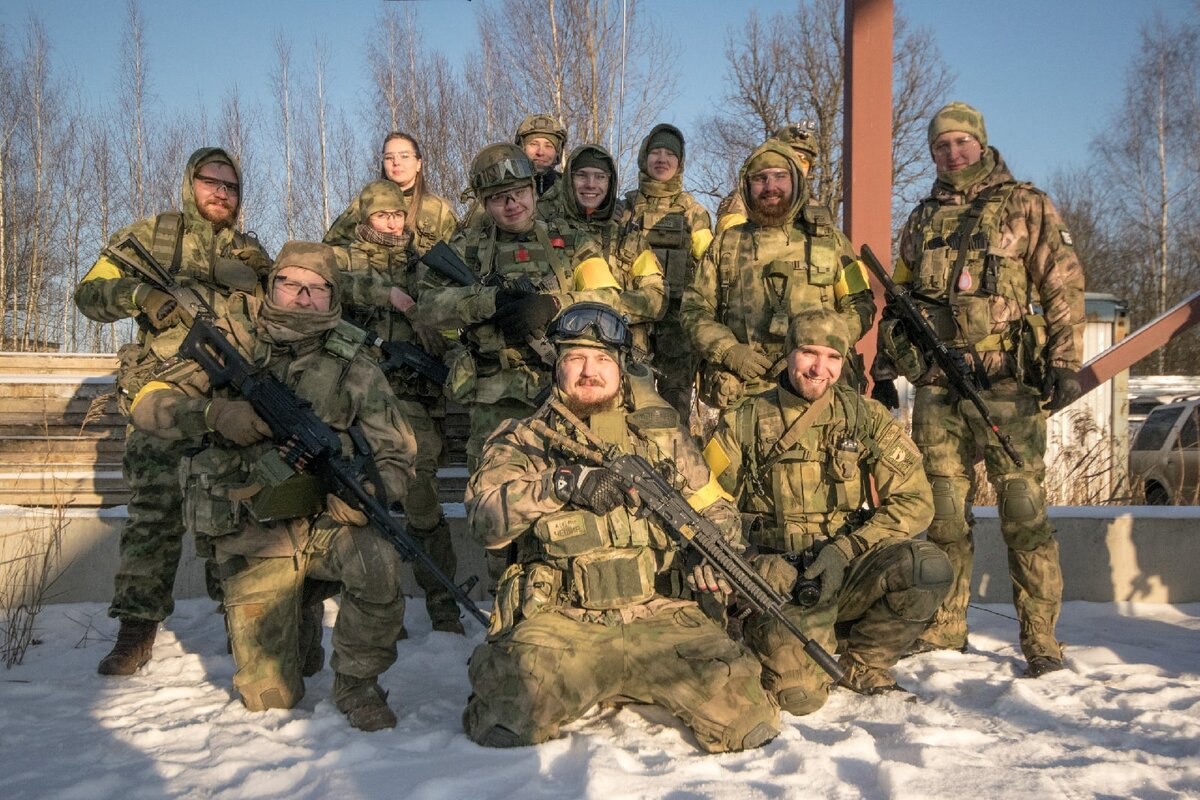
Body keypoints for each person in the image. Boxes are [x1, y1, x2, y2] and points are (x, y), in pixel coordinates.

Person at [461, 301, 780, 753]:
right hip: (564, 622)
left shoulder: (660, 436)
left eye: (602, 360)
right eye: (575, 358)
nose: (588, 370)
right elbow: (483, 522)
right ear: (557, 368)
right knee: (503, 720)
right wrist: (561, 484)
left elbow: (716, 508)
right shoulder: (523, 437)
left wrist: (708, 550)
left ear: (621, 369)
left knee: (748, 719)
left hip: (659, 614)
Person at [128, 241, 417, 731]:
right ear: (272, 286)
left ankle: (357, 684)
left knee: (380, 557)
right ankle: (292, 617)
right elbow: (146, 402)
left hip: (327, 523)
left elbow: (397, 452)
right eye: (290, 284)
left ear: (333, 297)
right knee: (269, 698)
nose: (303, 297)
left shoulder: (356, 364)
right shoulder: (231, 341)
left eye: (317, 288)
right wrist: (212, 413)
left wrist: (373, 495)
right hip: (253, 530)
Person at [870, 102, 1085, 677]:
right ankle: (944, 629)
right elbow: (901, 301)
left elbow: (1061, 281)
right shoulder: (920, 219)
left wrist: (1066, 362)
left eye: (961, 142)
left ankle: (1040, 640)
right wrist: (885, 368)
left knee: (1023, 512)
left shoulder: (1024, 203)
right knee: (942, 515)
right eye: (942, 146)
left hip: (1006, 386)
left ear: (981, 143)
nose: (953, 153)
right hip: (939, 390)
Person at [74, 147, 271, 676]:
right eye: (211, 182)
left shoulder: (251, 253)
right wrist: (141, 295)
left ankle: (239, 622)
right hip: (163, 397)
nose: (221, 193)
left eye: (231, 186)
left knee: (232, 511)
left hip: (231, 398)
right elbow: (88, 294)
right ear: (191, 183)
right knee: (154, 516)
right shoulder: (154, 236)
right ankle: (136, 630)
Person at [706, 309, 950, 711]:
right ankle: (780, 643)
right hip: (778, 583)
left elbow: (916, 502)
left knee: (928, 567)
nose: (820, 368)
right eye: (809, 353)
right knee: (799, 698)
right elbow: (708, 505)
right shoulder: (743, 420)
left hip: (847, 569)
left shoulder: (864, 417)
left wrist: (847, 549)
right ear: (788, 354)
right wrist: (753, 562)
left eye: (833, 357)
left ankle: (864, 662)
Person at [416, 143, 620, 472]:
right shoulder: (467, 248)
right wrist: (487, 302)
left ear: (533, 191)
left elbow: (609, 300)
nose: (513, 205)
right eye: (499, 198)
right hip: (494, 397)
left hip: (564, 388)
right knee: (491, 500)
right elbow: (427, 306)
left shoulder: (573, 241)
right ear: (485, 203)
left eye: (519, 193)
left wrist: (554, 305)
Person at [331, 180, 463, 634]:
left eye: (397, 215)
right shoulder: (342, 257)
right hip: (355, 398)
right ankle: (377, 605)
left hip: (413, 397)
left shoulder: (423, 264)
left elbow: (452, 311)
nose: (391, 223)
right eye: (381, 216)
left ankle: (444, 603)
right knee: (366, 497)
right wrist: (385, 294)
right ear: (365, 218)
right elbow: (328, 285)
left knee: (421, 491)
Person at [680, 139, 874, 412]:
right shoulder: (726, 244)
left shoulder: (831, 242)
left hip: (816, 391)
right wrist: (728, 351)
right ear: (747, 185)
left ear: (795, 181)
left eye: (780, 177)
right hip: (744, 393)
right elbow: (693, 309)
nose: (771, 186)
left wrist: (817, 350)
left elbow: (860, 306)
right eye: (761, 178)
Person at [615, 124, 713, 426]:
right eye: (656, 151)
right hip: (634, 321)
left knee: (676, 401)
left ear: (680, 162)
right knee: (628, 396)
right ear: (644, 158)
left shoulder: (692, 211)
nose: (662, 159)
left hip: (677, 323)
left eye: (670, 153)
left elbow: (709, 264)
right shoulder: (624, 207)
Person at [538, 143, 666, 361]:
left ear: (610, 182)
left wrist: (595, 306)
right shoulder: (545, 233)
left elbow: (656, 299)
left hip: (623, 357)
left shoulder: (630, 238)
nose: (590, 184)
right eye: (582, 176)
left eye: (600, 177)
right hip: (557, 358)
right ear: (569, 180)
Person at [324, 131, 459, 256]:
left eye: (404, 156)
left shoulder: (438, 210)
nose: (396, 162)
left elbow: (457, 256)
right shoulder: (363, 204)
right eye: (389, 158)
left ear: (418, 164)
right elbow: (330, 250)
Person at [716, 121, 820, 234]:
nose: (797, 165)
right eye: (790, 158)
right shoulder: (746, 199)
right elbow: (732, 239)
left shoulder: (813, 207)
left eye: (803, 160)